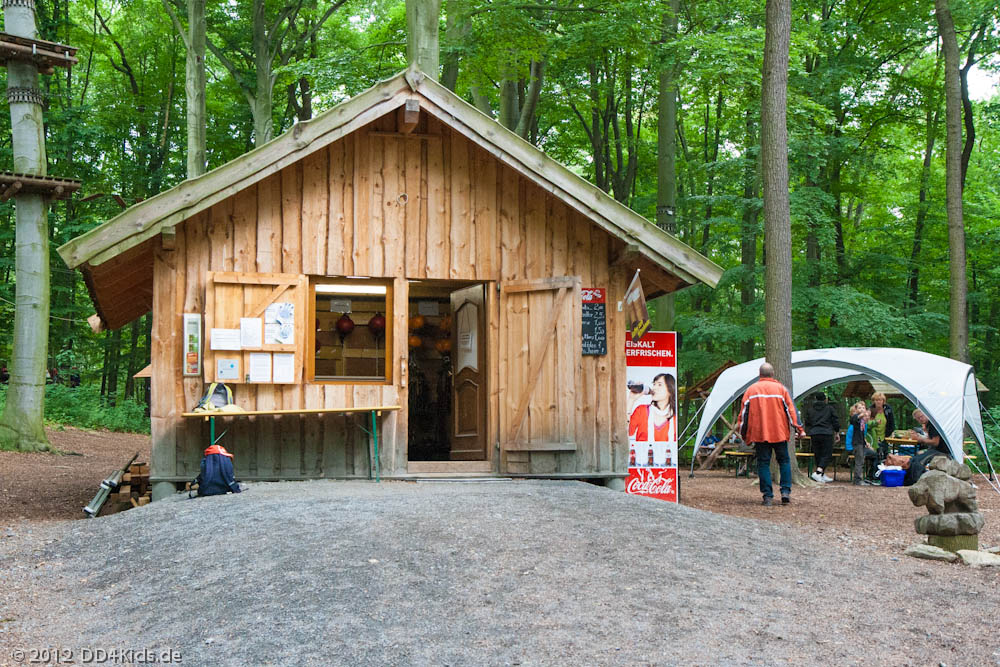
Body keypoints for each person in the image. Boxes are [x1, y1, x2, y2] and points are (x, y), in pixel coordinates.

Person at [737, 362, 806, 506]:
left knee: (763, 463)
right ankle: (785, 492)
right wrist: (799, 429)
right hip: (779, 432)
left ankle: (767, 496)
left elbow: (743, 415)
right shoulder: (781, 389)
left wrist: (743, 434)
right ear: (773, 374)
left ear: (759, 374)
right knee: (784, 461)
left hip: (760, 433)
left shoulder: (751, 390)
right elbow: (792, 410)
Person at [628, 373, 677, 443]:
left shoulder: (675, 418)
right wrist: (631, 400)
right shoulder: (641, 410)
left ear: (670, 390)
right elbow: (625, 433)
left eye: (659, 385)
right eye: (654, 384)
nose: (654, 388)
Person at [805, 392, 839, 483]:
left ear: (816, 399)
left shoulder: (810, 410)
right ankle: (818, 472)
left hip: (814, 433)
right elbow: (835, 420)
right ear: (825, 399)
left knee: (818, 454)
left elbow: (807, 422)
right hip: (827, 433)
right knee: (827, 454)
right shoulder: (830, 409)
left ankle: (821, 474)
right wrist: (837, 431)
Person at [850, 401, 879, 485]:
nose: (862, 409)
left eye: (863, 408)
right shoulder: (855, 417)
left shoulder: (863, 422)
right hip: (857, 444)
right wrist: (862, 414)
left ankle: (870, 476)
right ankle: (857, 480)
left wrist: (866, 444)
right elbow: (854, 419)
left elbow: (862, 435)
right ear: (856, 410)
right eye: (859, 408)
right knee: (859, 461)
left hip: (862, 444)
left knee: (873, 455)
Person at [868, 392, 894, 458]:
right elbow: (867, 424)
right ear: (874, 401)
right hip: (873, 437)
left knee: (885, 455)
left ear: (883, 401)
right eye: (876, 400)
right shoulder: (870, 410)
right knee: (874, 456)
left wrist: (888, 434)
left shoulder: (888, 410)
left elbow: (892, 423)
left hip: (884, 437)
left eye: (880, 400)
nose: (878, 402)